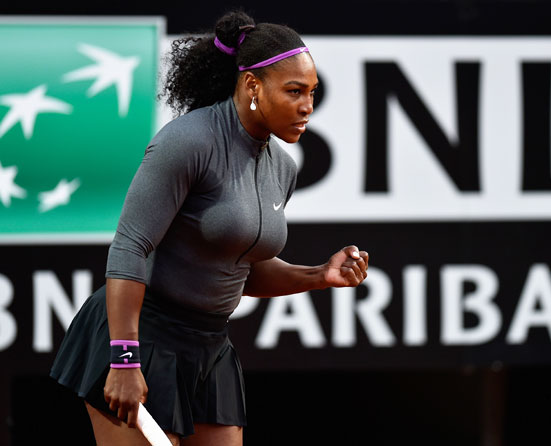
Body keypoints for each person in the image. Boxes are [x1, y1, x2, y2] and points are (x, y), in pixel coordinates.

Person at [50, 10, 369, 446]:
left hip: (209, 348)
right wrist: (125, 360)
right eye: (294, 91)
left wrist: (319, 275)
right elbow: (130, 247)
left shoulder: (282, 169)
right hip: (141, 335)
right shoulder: (187, 141)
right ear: (253, 86)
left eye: (312, 93)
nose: (307, 107)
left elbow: (241, 269)